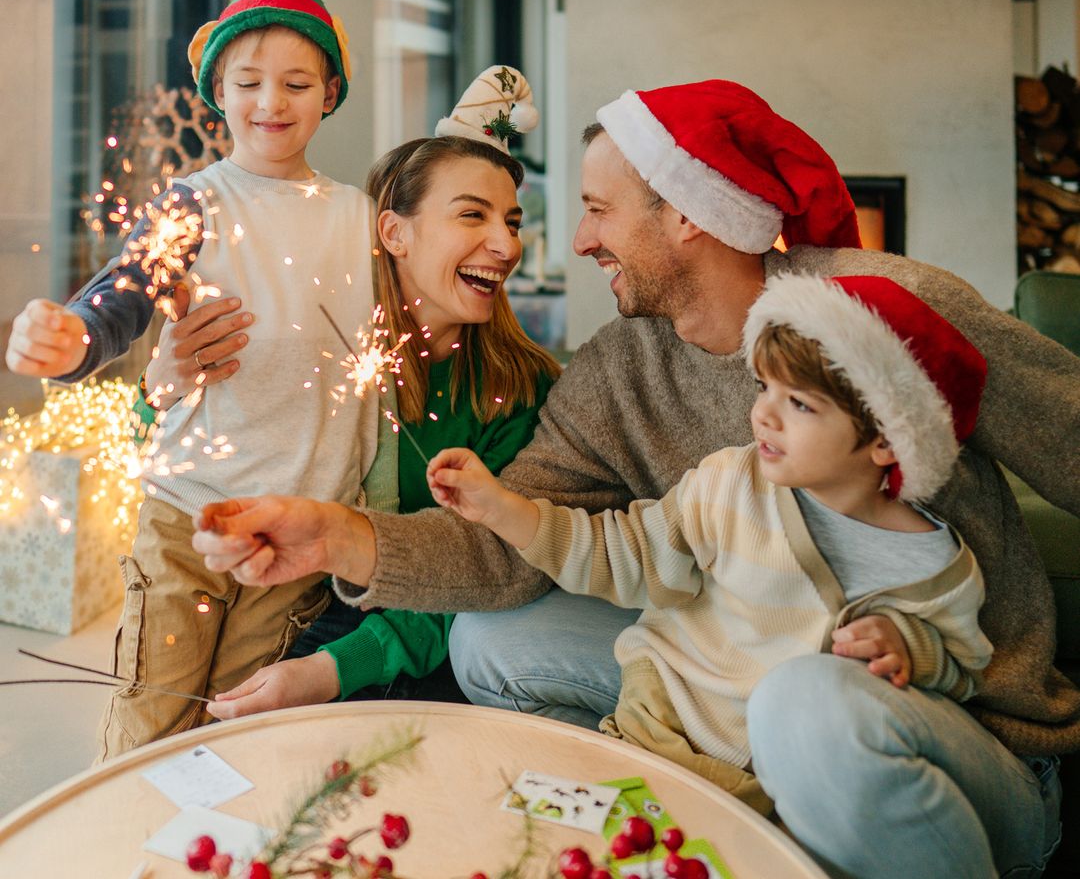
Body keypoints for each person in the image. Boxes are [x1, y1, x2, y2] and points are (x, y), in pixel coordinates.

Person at [193, 80, 1076, 878]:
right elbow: (519, 541)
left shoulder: (877, 310)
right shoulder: (622, 371)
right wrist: (339, 535)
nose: (575, 240)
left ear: (684, 214)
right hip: (747, 689)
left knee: (803, 704)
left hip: (953, 734)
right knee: (491, 643)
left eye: (597, 210)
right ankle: (705, 817)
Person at [426, 272, 994, 814]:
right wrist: (503, 509)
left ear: (887, 442)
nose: (763, 414)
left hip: (770, 788)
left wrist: (911, 647)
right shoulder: (730, 482)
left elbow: (960, 667)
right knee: (524, 813)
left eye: (799, 404)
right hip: (652, 727)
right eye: (765, 386)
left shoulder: (937, 566)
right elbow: (623, 555)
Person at [4, 0, 382, 758]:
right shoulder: (194, 201)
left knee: (244, 727)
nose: (269, 101)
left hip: (298, 523)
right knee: (154, 718)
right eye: (247, 80)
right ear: (218, 92)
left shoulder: (359, 215)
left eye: (296, 82)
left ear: (331, 94)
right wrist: (71, 338)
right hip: (187, 508)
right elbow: (123, 295)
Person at [198, 68, 560, 718]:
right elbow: (182, 438)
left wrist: (332, 670)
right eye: (472, 215)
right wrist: (165, 384)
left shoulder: (522, 388)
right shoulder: (313, 344)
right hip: (291, 607)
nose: (507, 245)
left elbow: (492, 574)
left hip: (429, 644)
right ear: (394, 233)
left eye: (511, 219)